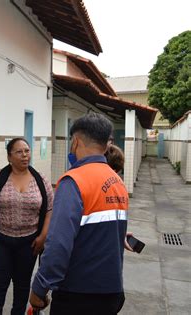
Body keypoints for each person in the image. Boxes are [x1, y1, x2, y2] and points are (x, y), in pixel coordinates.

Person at [29, 113, 129, 315]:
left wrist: (40, 287)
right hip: (112, 291)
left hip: (79, 293)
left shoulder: (73, 182)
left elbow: (58, 243)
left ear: (75, 141)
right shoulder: (117, 181)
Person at [0, 137, 54, 315]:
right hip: (0, 242)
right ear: (9, 157)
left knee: (22, 285)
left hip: (29, 243)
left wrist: (43, 236)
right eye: (19, 152)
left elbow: (50, 208)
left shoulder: (40, 179)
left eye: (27, 151)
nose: (24, 155)